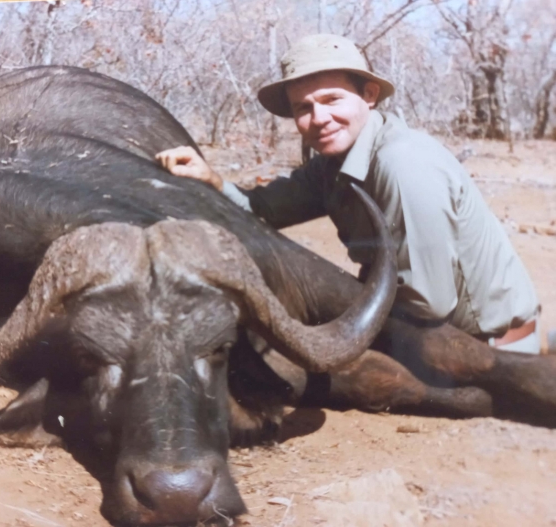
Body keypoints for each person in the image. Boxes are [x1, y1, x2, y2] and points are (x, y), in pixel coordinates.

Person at [156, 33, 541, 354]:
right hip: (431, 335)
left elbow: (427, 303)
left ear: (369, 95)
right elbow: (261, 210)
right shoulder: (332, 164)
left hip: (487, 352)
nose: (319, 118)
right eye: (303, 107)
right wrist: (212, 180)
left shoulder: (403, 163)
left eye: (331, 100)